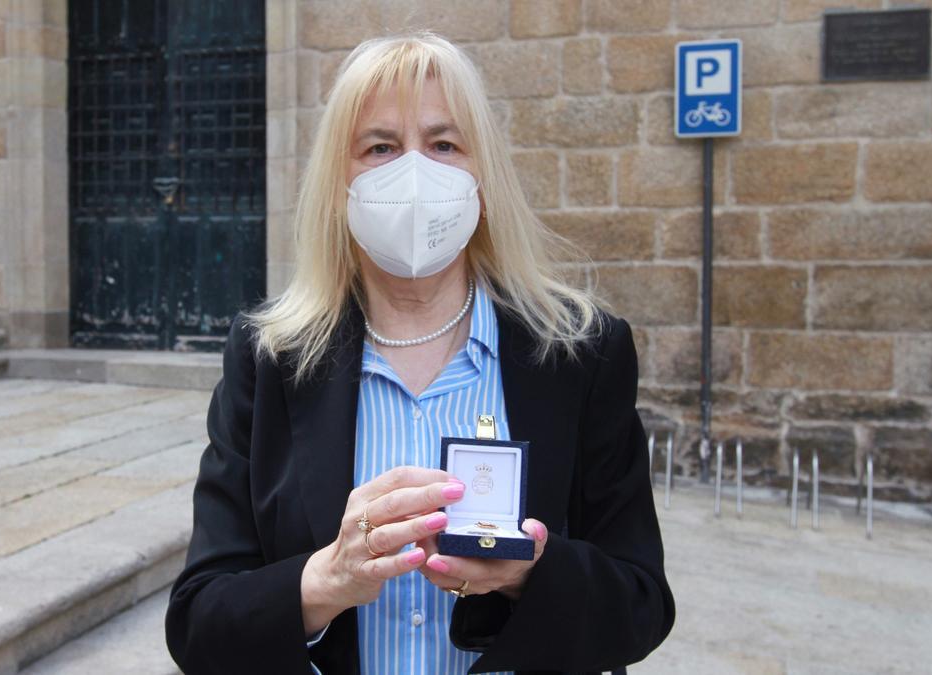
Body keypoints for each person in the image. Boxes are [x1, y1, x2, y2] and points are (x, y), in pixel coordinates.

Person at [165, 32, 674, 675]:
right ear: (338, 182)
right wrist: (326, 581)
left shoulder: (580, 352)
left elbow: (642, 604)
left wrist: (529, 574)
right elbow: (198, 622)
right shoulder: (272, 359)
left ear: (481, 176)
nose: (414, 173)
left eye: (443, 144)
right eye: (380, 147)